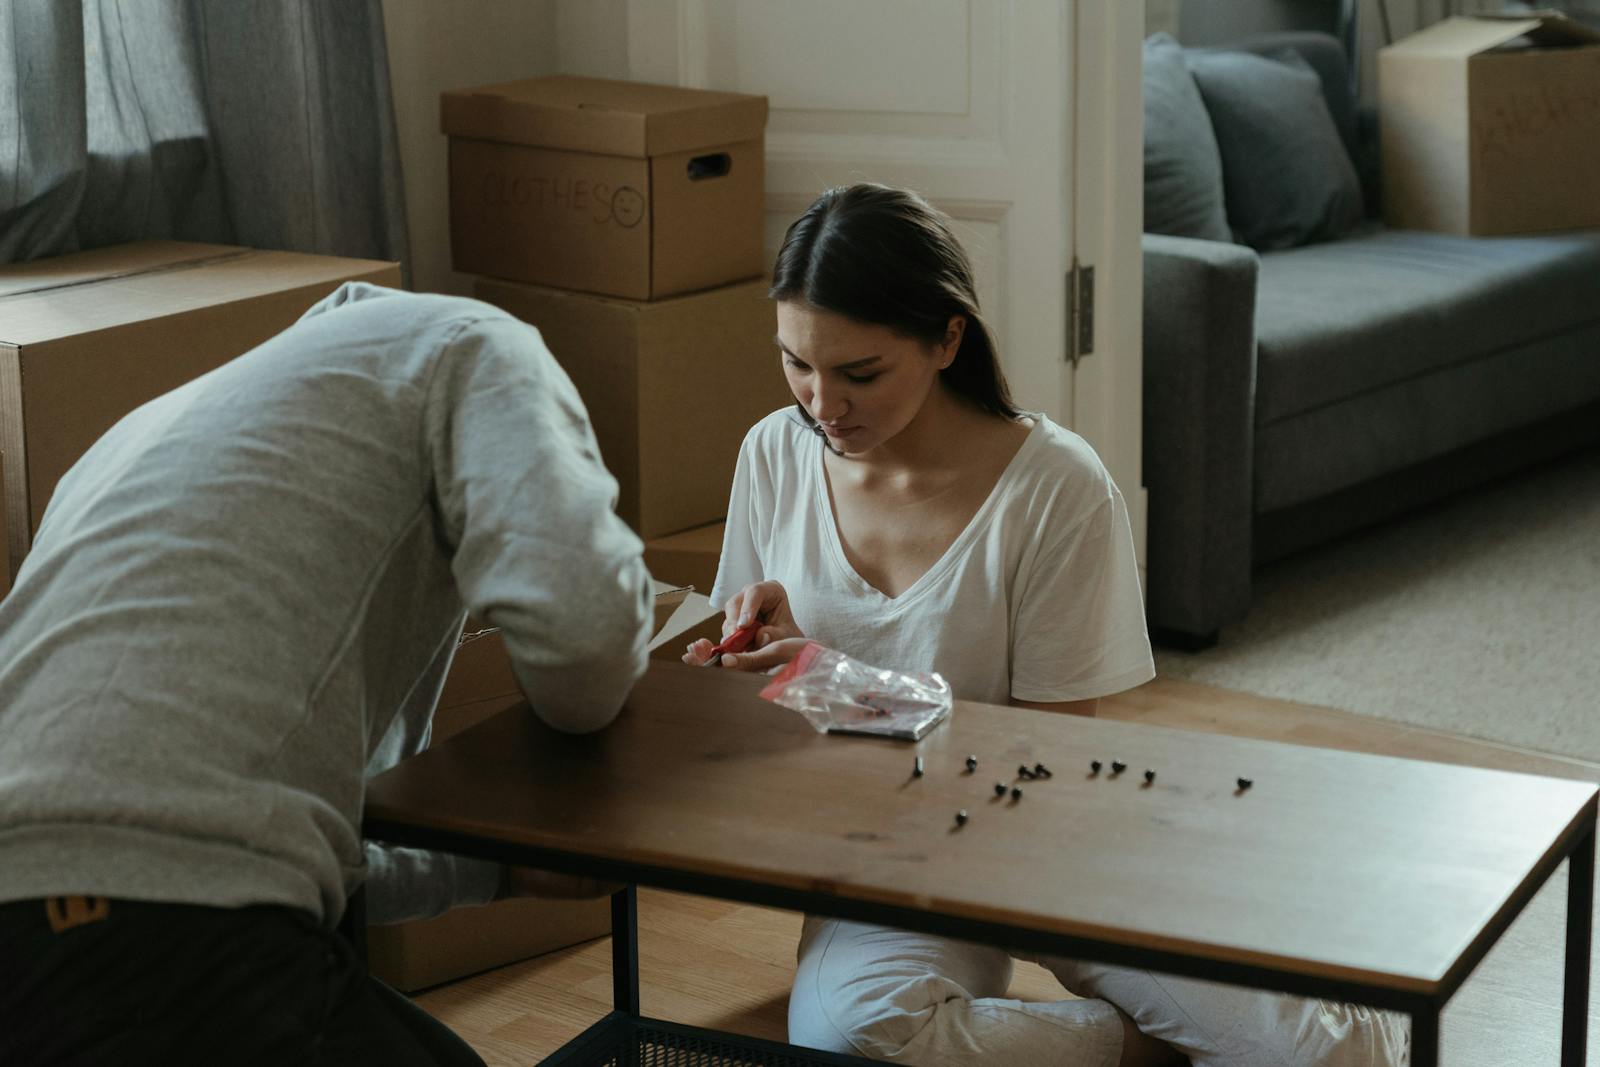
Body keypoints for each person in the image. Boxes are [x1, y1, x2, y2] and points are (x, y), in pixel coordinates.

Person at [686, 184, 1409, 1067]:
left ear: (948, 338)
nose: (821, 402)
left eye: (859, 372)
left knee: (1332, 1059)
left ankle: (1300, 1000)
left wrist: (834, 678)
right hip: (875, 848)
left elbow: (1051, 759)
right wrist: (749, 659)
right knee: (850, 1042)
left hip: (1047, 832)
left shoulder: (1056, 487)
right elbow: (754, 700)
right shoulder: (773, 451)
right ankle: (1141, 1048)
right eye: (796, 362)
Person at [0, 283, 653, 1066]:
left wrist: (501, 867)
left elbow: (287, 856)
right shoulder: (470, 343)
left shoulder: (147, 435)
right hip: (150, 924)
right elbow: (585, 645)